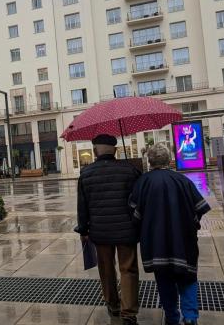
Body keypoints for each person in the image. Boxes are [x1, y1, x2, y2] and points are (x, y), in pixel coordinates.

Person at [129, 144, 211, 325]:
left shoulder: (143, 182)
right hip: (183, 240)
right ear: (170, 160)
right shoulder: (182, 180)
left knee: (164, 279)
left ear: (149, 161)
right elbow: (200, 208)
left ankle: (172, 317)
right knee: (188, 277)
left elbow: (135, 213)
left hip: (156, 242)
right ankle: (190, 317)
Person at [76, 134, 142, 325]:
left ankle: (112, 304)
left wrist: (83, 231)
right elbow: (138, 202)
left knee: (106, 269)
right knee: (128, 269)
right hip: (126, 231)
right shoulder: (130, 170)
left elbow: (82, 207)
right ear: (115, 150)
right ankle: (129, 312)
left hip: (100, 232)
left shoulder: (86, 174)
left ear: (95, 150)